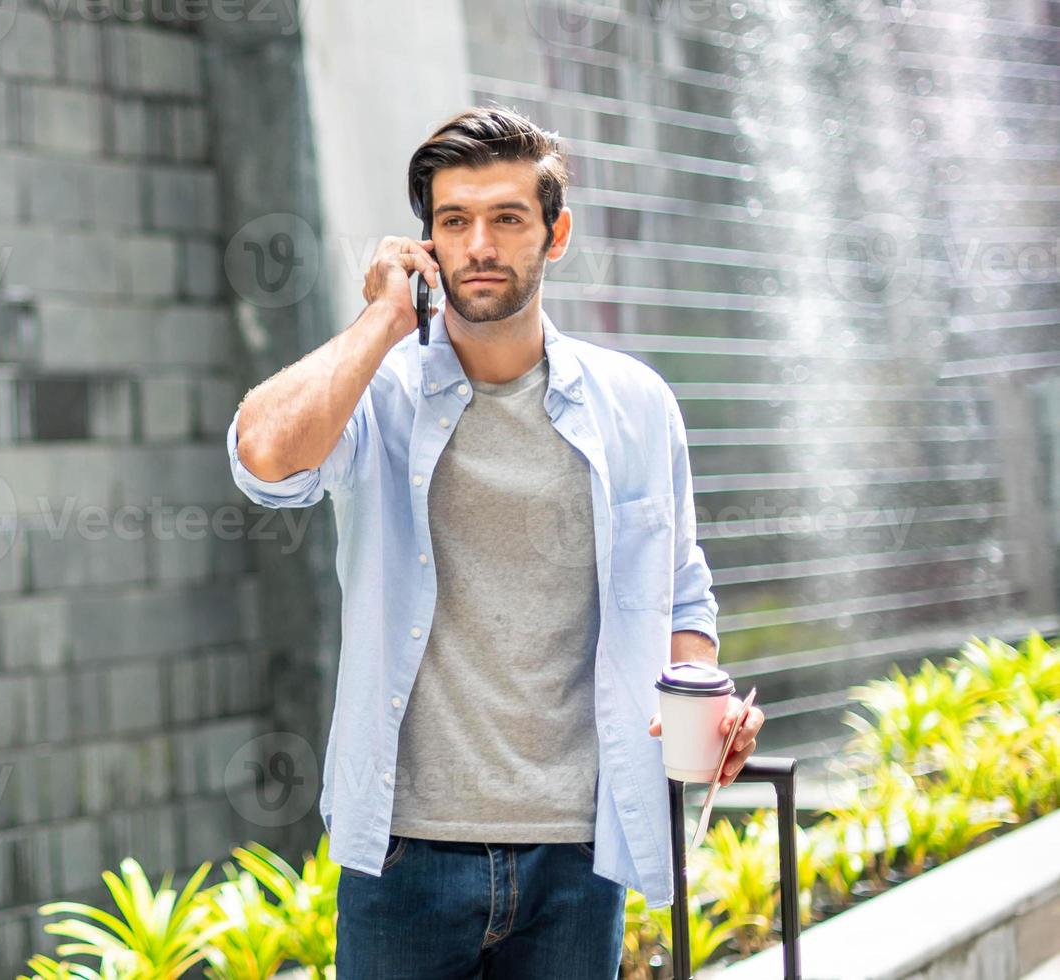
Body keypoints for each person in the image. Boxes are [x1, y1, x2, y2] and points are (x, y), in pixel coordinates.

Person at [227, 105, 766, 978]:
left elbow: (679, 592)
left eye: (506, 219)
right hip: (404, 849)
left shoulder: (635, 403)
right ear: (426, 245)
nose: (478, 243)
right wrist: (379, 324)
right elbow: (263, 461)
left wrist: (702, 697)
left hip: (576, 852)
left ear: (554, 236)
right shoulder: (377, 389)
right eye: (453, 222)